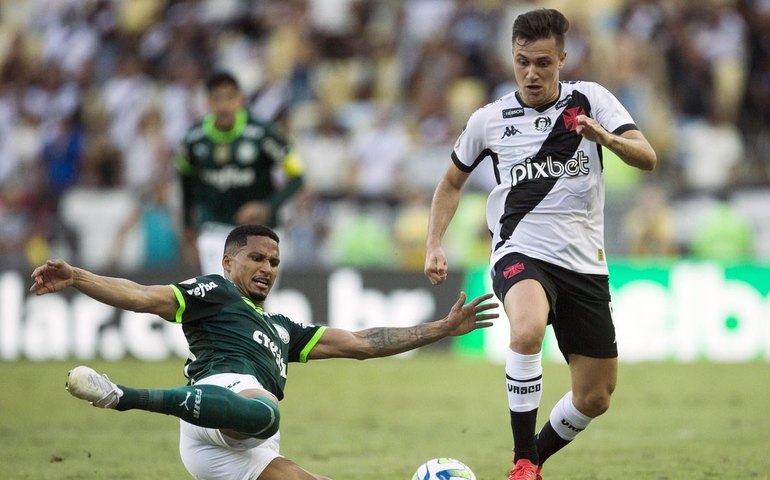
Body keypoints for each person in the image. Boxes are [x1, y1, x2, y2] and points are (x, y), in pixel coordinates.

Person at [30, 224, 498, 480]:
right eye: (256, 258)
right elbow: (141, 295)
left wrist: (440, 328)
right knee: (267, 409)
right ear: (228, 261)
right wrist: (79, 277)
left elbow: (361, 343)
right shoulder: (214, 291)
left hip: (239, 452)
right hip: (219, 406)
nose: (267, 268)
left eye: (274, 261)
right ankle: (123, 396)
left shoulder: (282, 329)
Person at [423, 9, 656, 480]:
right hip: (519, 251)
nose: (531, 73)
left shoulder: (591, 99)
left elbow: (647, 157)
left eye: (543, 63)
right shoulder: (489, 120)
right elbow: (451, 182)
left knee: (595, 396)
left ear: (562, 60)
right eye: (522, 61)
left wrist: (604, 137)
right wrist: (434, 243)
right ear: (511, 58)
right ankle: (523, 460)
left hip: (585, 264)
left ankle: (535, 460)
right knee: (526, 330)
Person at [176, 71, 305, 275]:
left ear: (240, 99)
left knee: (256, 300)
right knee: (225, 294)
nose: (224, 106)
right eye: (217, 98)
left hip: (261, 229)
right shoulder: (193, 140)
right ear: (208, 102)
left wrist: (268, 206)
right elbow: (185, 183)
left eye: (229, 97)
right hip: (215, 229)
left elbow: (298, 177)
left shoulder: (263, 134)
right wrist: (187, 226)